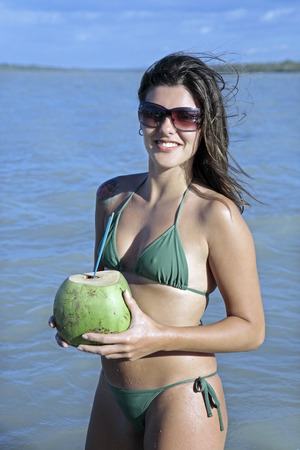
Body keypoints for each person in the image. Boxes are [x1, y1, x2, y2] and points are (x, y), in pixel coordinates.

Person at [49, 52, 265, 449]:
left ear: (204, 126)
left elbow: (251, 330)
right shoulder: (111, 197)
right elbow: (106, 285)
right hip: (111, 393)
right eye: (153, 113)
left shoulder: (216, 215)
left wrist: (157, 336)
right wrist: (71, 319)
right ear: (141, 119)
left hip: (182, 394)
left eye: (184, 116)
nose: (166, 128)